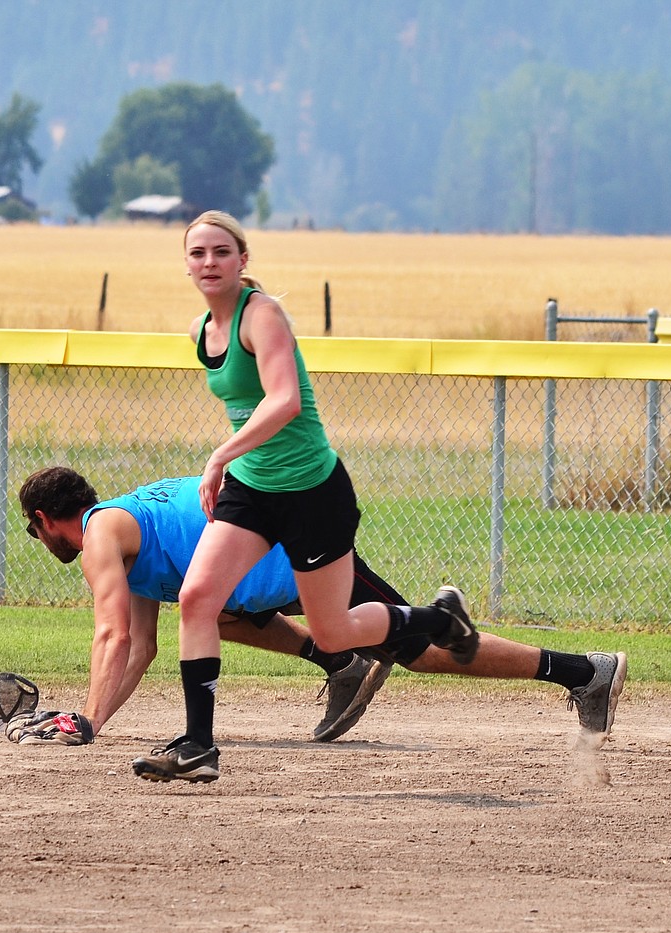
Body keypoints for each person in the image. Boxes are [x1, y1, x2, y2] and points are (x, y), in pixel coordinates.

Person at [132, 210, 623, 783]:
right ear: (186, 264)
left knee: (341, 633)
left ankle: (453, 626)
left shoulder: (261, 315)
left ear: (243, 260)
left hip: (313, 494)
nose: (209, 262)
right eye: (198, 253)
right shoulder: (201, 332)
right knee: (197, 600)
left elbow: (285, 400)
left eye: (221, 251)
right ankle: (198, 745)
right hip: (253, 488)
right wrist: (234, 461)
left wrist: (219, 454)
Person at [16, 466, 626, 767]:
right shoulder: (128, 536)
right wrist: (91, 717)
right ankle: (338, 661)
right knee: (210, 615)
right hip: (260, 569)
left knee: (423, 652)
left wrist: (85, 723)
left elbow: (113, 632)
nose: (41, 541)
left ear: (45, 520)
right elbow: (141, 647)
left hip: (291, 551)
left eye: (34, 531)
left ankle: (581, 670)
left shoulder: (98, 536)